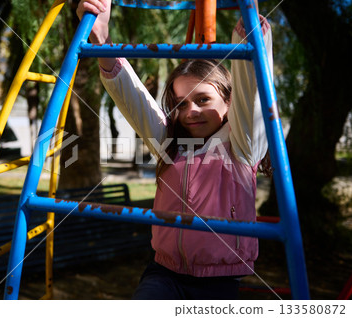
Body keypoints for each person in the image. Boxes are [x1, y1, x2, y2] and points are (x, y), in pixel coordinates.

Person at [77, 0, 273, 300]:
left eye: (204, 99)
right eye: (181, 103)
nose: (191, 111)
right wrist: (100, 36)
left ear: (229, 101)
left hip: (219, 279)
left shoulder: (243, 147)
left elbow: (254, 91)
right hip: (163, 271)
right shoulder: (170, 144)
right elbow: (134, 99)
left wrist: (249, 29)